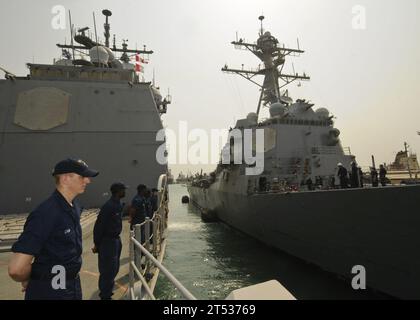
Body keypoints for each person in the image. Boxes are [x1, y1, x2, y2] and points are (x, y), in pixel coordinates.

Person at [8, 158, 99, 300]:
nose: (87, 181)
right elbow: (16, 269)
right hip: (51, 290)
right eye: (82, 177)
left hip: (70, 285)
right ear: (65, 179)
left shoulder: (74, 206)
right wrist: (33, 277)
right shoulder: (46, 213)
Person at [92, 182, 127, 300]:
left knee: (114, 269)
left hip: (116, 240)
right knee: (107, 270)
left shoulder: (117, 204)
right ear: (118, 191)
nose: (125, 192)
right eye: (123, 190)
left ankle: (108, 292)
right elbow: (99, 226)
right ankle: (105, 296)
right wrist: (97, 244)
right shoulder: (109, 206)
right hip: (108, 242)